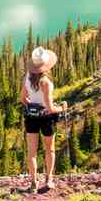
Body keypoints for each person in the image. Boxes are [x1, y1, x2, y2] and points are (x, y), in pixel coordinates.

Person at [22, 45, 67, 192]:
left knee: (32, 153)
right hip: (47, 119)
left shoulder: (27, 77)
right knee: (49, 149)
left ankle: (33, 183)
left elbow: (23, 99)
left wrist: (33, 106)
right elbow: (50, 108)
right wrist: (62, 108)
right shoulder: (45, 82)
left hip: (31, 117)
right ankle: (49, 179)